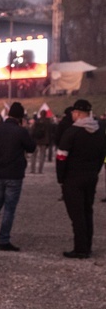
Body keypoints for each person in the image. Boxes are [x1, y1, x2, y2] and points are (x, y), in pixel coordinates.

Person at [0, 102, 36, 251]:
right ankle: (3, 240)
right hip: (15, 175)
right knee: (9, 209)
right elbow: (32, 147)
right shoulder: (20, 132)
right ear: (20, 117)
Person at [56, 99, 106, 259]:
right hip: (91, 176)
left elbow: (61, 157)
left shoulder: (72, 132)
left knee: (76, 215)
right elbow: (101, 155)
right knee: (87, 211)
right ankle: (87, 245)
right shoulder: (98, 131)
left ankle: (80, 248)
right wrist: (95, 171)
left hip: (73, 178)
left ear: (77, 113)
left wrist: (61, 178)